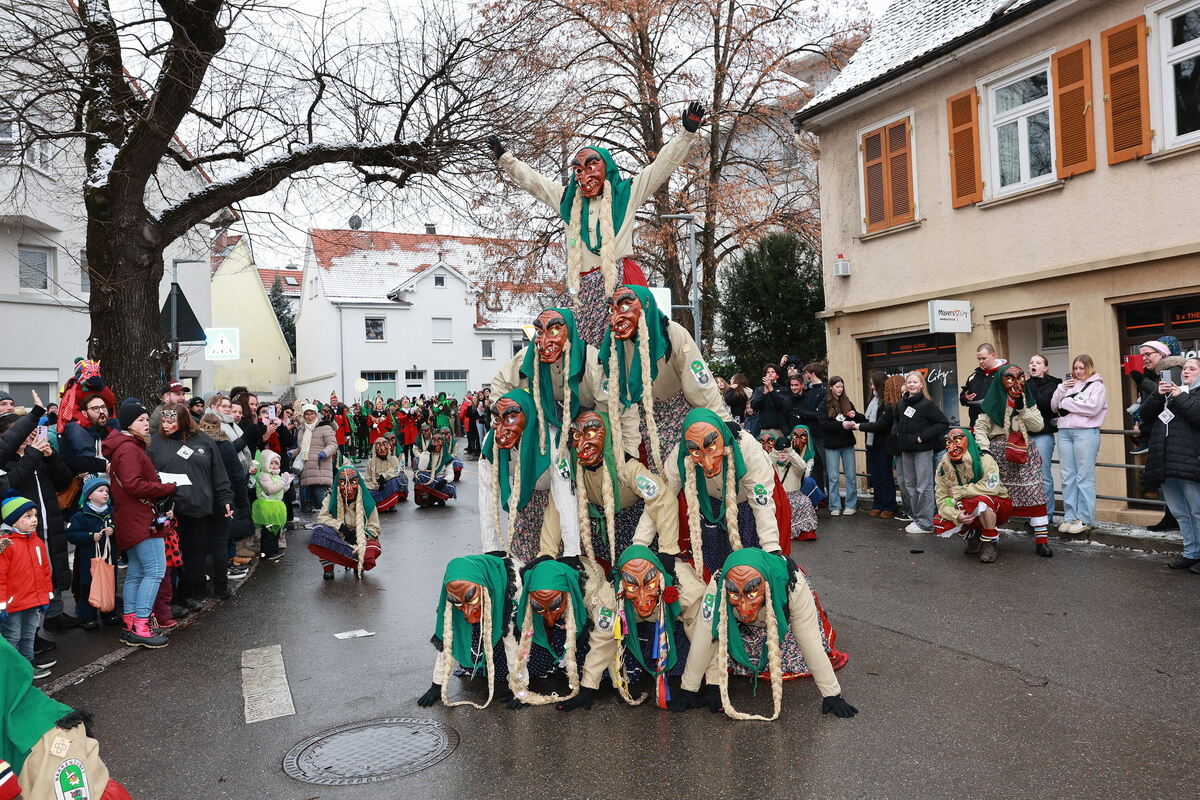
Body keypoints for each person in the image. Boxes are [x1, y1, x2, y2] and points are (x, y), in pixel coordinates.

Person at [488, 102, 705, 344]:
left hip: (620, 282)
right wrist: (506, 159)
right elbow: (534, 182)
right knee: (586, 354)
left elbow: (660, 167)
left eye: (591, 168)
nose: (584, 176)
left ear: (607, 169)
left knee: (631, 346)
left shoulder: (627, 193)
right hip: (583, 291)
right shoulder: (567, 200)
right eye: (578, 171)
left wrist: (686, 133)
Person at [669, 549, 855, 721]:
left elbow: (809, 641)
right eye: (735, 596)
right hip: (744, 625)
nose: (743, 608)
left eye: (750, 595)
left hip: (781, 617)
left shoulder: (794, 586)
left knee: (794, 658)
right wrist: (688, 689)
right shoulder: (719, 583)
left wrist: (832, 694)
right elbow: (705, 634)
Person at [600, 285, 731, 472]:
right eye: (612, 310)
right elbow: (619, 396)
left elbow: (699, 381)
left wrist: (722, 422)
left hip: (682, 412)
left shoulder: (673, 334)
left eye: (626, 306)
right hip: (643, 420)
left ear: (645, 305)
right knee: (659, 480)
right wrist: (629, 447)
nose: (616, 318)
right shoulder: (613, 347)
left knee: (689, 471)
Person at [559, 547, 707, 712]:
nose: (642, 598)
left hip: (672, 606)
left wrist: (706, 687)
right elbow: (602, 641)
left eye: (649, 585)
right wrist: (588, 687)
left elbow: (705, 636)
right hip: (632, 610)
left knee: (700, 635)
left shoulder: (688, 590)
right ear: (621, 584)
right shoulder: (609, 595)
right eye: (632, 588)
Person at [654, 409, 785, 578]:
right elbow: (661, 499)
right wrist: (640, 544)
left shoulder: (745, 445)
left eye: (711, 448)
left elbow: (761, 501)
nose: (707, 464)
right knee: (716, 572)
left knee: (754, 573)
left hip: (752, 507)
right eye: (696, 452)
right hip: (711, 508)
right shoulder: (680, 454)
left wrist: (771, 548)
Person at [101, 402, 176, 648]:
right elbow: (133, 485)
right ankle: (142, 625)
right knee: (154, 571)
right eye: (141, 419)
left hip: (129, 518)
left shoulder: (123, 447)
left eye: (146, 418)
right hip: (140, 518)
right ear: (128, 424)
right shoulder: (130, 449)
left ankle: (131, 623)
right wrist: (166, 487)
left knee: (135, 572)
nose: (146, 423)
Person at [479, 390, 581, 563]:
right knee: (520, 562)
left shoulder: (552, 442)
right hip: (525, 498)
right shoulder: (491, 442)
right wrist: (490, 547)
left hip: (554, 497)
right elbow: (486, 492)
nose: (502, 428)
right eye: (498, 420)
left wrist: (572, 551)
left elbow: (565, 496)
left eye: (511, 418)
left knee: (553, 561)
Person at [564, 411, 677, 565]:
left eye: (590, 434)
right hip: (596, 537)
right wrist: (548, 552)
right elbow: (558, 506)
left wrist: (667, 549)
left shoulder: (628, 469)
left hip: (632, 531)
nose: (582, 443)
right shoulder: (573, 469)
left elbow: (662, 498)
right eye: (577, 436)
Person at [149, 403, 234, 608]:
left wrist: (225, 499)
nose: (166, 425)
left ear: (183, 421)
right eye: (164, 421)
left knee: (195, 554)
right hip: (170, 509)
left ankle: (188, 593)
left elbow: (218, 473)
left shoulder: (203, 440)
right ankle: (173, 598)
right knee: (171, 556)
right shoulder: (155, 443)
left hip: (198, 506)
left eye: (171, 421)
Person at [418, 553, 521, 709]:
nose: (466, 612)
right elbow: (451, 638)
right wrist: (437, 685)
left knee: (507, 635)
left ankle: (501, 679)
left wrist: (519, 688)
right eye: (458, 603)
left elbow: (514, 644)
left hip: (513, 630)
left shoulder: (512, 587)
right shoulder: (454, 595)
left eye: (470, 598)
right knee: (470, 643)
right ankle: (484, 671)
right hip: (483, 607)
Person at [0, 417, 74, 631]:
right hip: (23, 527)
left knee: (53, 564)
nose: (25, 435)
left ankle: (55, 613)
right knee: (27, 572)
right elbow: (11, 485)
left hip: (49, 517)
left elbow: (64, 481)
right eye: (16, 431)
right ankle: (29, 631)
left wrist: (51, 458)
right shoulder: (6, 461)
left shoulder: (40, 454)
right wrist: (31, 456)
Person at [973, 364, 1053, 556]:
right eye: (1010, 378)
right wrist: (984, 451)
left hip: (1024, 451)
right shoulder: (992, 402)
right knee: (994, 495)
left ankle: (1042, 541)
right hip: (998, 454)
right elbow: (981, 428)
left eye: (1020, 378)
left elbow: (1038, 425)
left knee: (1035, 493)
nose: (1016, 383)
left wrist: (1022, 409)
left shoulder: (1027, 400)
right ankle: (988, 540)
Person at [1140, 357, 1200, 572]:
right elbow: (1145, 415)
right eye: (1184, 368)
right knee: (1180, 512)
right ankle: (1191, 553)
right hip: (1166, 461)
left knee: (1197, 511)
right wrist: (1158, 394)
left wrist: (1180, 396)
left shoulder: (1186, 394)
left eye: (1192, 369)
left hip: (1190, 462)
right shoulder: (1172, 393)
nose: (1186, 371)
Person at [1129, 338, 1185, 531]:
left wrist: (1141, 380)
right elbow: (1147, 406)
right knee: (1166, 482)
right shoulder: (1155, 373)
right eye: (1141, 354)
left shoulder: (1173, 370)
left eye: (1147, 354)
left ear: (1162, 354)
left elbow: (1165, 397)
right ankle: (1171, 519)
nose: (1143, 358)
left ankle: (1179, 524)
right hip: (1159, 435)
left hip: (1173, 436)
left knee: (1175, 484)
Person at [931, 427, 1012, 563]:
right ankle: (974, 534)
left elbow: (992, 487)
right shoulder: (943, 468)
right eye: (949, 442)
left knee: (982, 501)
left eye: (957, 441)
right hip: (966, 505)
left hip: (997, 505)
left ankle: (990, 543)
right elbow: (942, 499)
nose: (952, 447)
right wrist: (956, 515)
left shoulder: (985, 459)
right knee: (945, 516)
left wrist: (962, 491)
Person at [1050, 355, 1107, 535]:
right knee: (1067, 476)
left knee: (1084, 476)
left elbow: (1093, 408)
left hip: (1085, 433)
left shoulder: (1097, 386)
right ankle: (1070, 516)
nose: (1078, 371)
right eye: (1075, 368)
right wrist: (1061, 390)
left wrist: (1067, 403)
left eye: (1082, 368)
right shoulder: (1070, 386)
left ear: (1089, 367)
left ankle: (1085, 517)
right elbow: (1054, 406)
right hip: (1065, 432)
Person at [0, 493, 55, 677]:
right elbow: (1, 577)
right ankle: (13, 671)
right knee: (12, 636)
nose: (34, 520)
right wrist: (1, 604)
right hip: (13, 604)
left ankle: (28, 663)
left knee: (29, 633)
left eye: (35, 516)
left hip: (33, 599)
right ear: (13, 520)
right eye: (28, 516)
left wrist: (47, 595)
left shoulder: (37, 541)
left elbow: (44, 571)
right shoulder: (5, 544)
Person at [894, 371, 949, 535]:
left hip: (922, 450)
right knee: (910, 485)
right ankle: (917, 518)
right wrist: (897, 434)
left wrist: (922, 437)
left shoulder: (927, 404)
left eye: (915, 382)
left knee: (923, 486)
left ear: (921, 385)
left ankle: (926, 522)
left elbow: (942, 423)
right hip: (906, 449)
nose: (911, 385)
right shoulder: (901, 404)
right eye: (909, 382)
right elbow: (897, 422)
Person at [198, 411, 250, 581]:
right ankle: (225, 569)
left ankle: (205, 572)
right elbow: (236, 474)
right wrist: (242, 502)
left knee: (204, 537)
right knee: (223, 537)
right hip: (224, 495)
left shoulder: (196, 444)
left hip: (202, 497)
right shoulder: (224, 444)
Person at [306, 465, 381, 580]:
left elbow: (374, 528)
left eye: (353, 483)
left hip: (359, 540)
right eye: (343, 484)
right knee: (319, 532)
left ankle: (357, 563)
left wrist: (361, 535)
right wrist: (341, 527)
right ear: (338, 485)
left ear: (359, 484)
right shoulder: (330, 499)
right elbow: (322, 518)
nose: (349, 489)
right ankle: (328, 567)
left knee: (374, 548)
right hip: (338, 536)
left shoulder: (368, 501)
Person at [64, 476, 116, 631]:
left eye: (107, 491)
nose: (105, 493)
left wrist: (113, 530)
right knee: (87, 586)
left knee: (109, 583)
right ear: (89, 495)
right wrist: (89, 536)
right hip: (88, 559)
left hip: (108, 557)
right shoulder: (80, 515)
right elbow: (72, 534)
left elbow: (120, 527)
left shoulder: (111, 513)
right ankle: (87, 617)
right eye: (100, 491)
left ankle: (108, 612)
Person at [852, 371, 898, 518]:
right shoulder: (873, 401)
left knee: (885, 476)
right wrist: (857, 417)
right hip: (871, 444)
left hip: (883, 444)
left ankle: (889, 506)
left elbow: (880, 425)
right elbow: (868, 420)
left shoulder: (887, 403)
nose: (871, 387)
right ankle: (877, 504)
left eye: (873, 384)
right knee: (875, 476)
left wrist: (859, 426)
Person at [1026, 354, 1062, 522]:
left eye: (1038, 363)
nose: (1034, 365)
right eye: (1032, 362)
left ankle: (1046, 514)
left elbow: (1043, 404)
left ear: (1045, 367)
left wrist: (1029, 385)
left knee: (1043, 475)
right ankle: (1032, 512)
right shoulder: (1023, 384)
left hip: (1043, 435)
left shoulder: (1054, 383)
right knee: (1027, 476)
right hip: (1024, 434)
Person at [771, 425, 819, 541]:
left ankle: (804, 533)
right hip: (776, 495)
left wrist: (790, 451)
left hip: (794, 494)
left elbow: (803, 466)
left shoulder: (794, 466)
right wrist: (775, 452)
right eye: (780, 451)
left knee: (805, 502)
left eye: (784, 451)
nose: (782, 453)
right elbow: (765, 465)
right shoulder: (772, 465)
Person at [822, 375, 859, 515]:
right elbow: (823, 424)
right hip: (831, 445)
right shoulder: (824, 403)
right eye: (837, 387)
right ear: (830, 387)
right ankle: (835, 506)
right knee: (833, 477)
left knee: (851, 476)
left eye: (842, 386)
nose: (840, 389)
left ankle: (851, 505)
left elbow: (858, 418)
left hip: (847, 444)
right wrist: (841, 424)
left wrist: (854, 416)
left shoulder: (847, 401)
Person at [295, 403, 337, 513]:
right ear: (303, 416)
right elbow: (301, 449)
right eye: (307, 414)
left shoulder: (325, 428)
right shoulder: (301, 431)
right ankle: (319, 526)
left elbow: (332, 444)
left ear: (316, 414)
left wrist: (324, 453)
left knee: (322, 502)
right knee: (313, 506)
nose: (309, 417)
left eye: (312, 414)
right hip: (306, 470)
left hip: (320, 468)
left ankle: (330, 525)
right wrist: (292, 453)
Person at [252, 450, 292, 562]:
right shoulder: (263, 476)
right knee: (268, 532)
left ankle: (274, 550)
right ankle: (266, 553)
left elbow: (282, 489)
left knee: (275, 531)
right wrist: (283, 481)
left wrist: (287, 483)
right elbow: (271, 489)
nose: (274, 465)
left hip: (275, 507)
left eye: (276, 463)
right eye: (272, 463)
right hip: (266, 508)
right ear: (265, 463)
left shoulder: (276, 476)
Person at [60, 393, 114, 475]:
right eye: (95, 408)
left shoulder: (110, 428)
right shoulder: (75, 430)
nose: (101, 411)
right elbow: (73, 461)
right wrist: (105, 465)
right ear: (84, 413)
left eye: (103, 407)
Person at [795, 362, 829, 493]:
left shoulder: (824, 390)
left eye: (806, 373)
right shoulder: (808, 391)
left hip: (821, 434)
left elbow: (819, 414)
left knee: (826, 467)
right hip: (810, 435)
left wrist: (801, 412)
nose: (804, 376)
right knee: (814, 467)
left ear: (812, 374)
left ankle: (830, 499)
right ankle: (818, 496)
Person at [959, 343, 1008, 428]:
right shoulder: (973, 377)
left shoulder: (1006, 374)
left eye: (983, 358)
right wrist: (965, 398)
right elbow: (962, 399)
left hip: (999, 425)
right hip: (977, 425)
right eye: (979, 359)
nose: (981, 361)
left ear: (993, 355)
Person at [365, 437, 407, 509]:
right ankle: (381, 504)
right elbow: (368, 479)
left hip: (388, 484)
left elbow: (396, 471)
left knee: (396, 480)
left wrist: (384, 476)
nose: (382, 448)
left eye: (384, 444)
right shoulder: (371, 461)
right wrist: (376, 486)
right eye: (379, 445)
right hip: (375, 488)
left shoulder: (393, 459)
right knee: (365, 495)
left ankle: (389, 504)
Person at [749, 364, 790, 437]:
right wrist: (764, 394)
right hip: (764, 429)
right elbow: (754, 406)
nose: (770, 373)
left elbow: (781, 405)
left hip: (779, 429)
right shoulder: (759, 389)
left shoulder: (783, 389)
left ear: (777, 376)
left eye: (773, 372)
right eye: (768, 372)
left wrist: (771, 390)